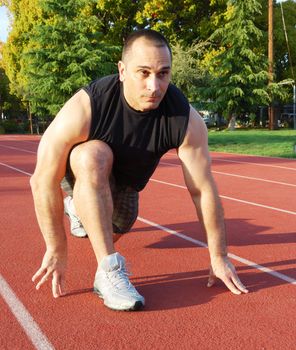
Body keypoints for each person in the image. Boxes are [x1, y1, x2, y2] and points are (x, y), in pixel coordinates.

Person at [30, 29, 248, 312]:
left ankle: (80, 210)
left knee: (107, 229)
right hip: (80, 172)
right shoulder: (88, 105)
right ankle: (108, 272)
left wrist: (218, 255)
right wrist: (56, 248)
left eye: (163, 74)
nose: (154, 86)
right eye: (143, 73)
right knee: (93, 155)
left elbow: (202, 189)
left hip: (126, 193)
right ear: (122, 70)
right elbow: (42, 180)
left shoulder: (184, 118)